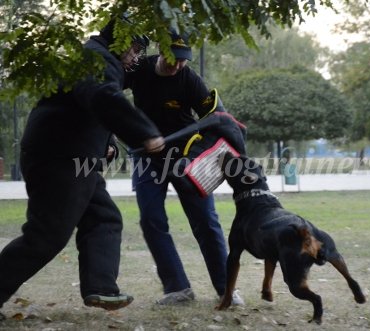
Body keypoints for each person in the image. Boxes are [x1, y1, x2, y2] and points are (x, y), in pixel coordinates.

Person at [0, 16, 165, 320]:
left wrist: (107, 142)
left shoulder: (94, 57)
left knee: (104, 218)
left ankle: (100, 287)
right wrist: (144, 132)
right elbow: (103, 97)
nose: (135, 56)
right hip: (60, 158)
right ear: (119, 40)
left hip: (73, 159)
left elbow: (86, 107)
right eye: (134, 48)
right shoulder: (97, 59)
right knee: (46, 236)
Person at [126, 30, 245, 305]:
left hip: (185, 160)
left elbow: (217, 121)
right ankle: (177, 288)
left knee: (206, 222)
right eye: (173, 57)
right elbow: (108, 99)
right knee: (151, 219)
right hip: (147, 158)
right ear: (160, 50)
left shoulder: (190, 79)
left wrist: (199, 157)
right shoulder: (139, 70)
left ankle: (225, 288)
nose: (177, 64)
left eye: (183, 59)